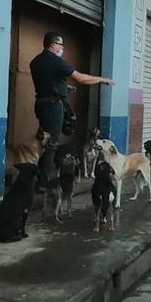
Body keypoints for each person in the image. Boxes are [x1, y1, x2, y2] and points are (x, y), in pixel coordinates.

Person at [30, 32, 114, 187]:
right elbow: (81, 78)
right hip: (52, 107)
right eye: (61, 45)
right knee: (51, 143)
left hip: (40, 104)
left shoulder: (36, 61)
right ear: (53, 45)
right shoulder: (57, 62)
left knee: (43, 141)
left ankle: (36, 176)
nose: (62, 48)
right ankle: (43, 182)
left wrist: (63, 87)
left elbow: (46, 80)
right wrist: (102, 79)